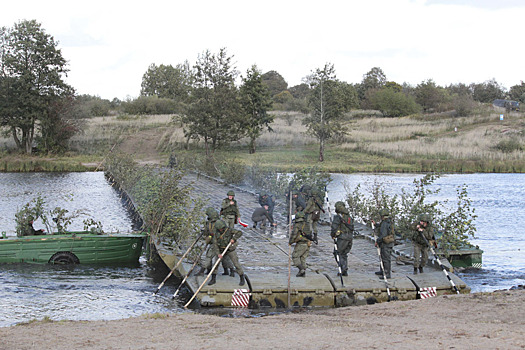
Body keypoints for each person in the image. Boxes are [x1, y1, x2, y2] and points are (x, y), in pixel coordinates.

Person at [196, 207, 235, 277]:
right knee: (224, 258)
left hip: (218, 243)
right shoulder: (210, 223)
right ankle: (228, 271)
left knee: (209, 256)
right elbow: (207, 232)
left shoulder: (218, 224)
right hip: (215, 242)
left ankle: (202, 271)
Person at [209, 220, 245, 286]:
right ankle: (213, 279)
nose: (221, 229)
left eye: (222, 228)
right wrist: (218, 253)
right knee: (215, 265)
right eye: (219, 229)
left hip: (230, 250)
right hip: (220, 250)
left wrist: (234, 239)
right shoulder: (215, 233)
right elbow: (215, 244)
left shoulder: (229, 230)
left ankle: (242, 278)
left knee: (236, 264)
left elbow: (239, 232)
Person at [330, 201, 354, 276]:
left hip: (342, 238)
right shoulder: (349, 216)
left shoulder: (338, 217)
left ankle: (342, 268)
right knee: (344, 253)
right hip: (350, 237)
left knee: (337, 252)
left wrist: (333, 235)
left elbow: (334, 227)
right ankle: (345, 269)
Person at [372, 208, 395, 279]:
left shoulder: (385, 223)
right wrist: (375, 224)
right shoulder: (387, 221)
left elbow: (383, 235)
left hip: (386, 243)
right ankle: (382, 270)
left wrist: (377, 241)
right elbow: (381, 227)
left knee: (386, 259)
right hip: (387, 243)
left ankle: (387, 273)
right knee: (382, 257)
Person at [289, 212, 313, 277]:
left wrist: (290, 242)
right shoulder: (307, 224)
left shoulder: (297, 225)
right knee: (303, 257)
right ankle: (303, 271)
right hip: (308, 243)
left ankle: (301, 269)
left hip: (301, 243)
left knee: (295, 256)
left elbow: (294, 234)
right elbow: (311, 232)